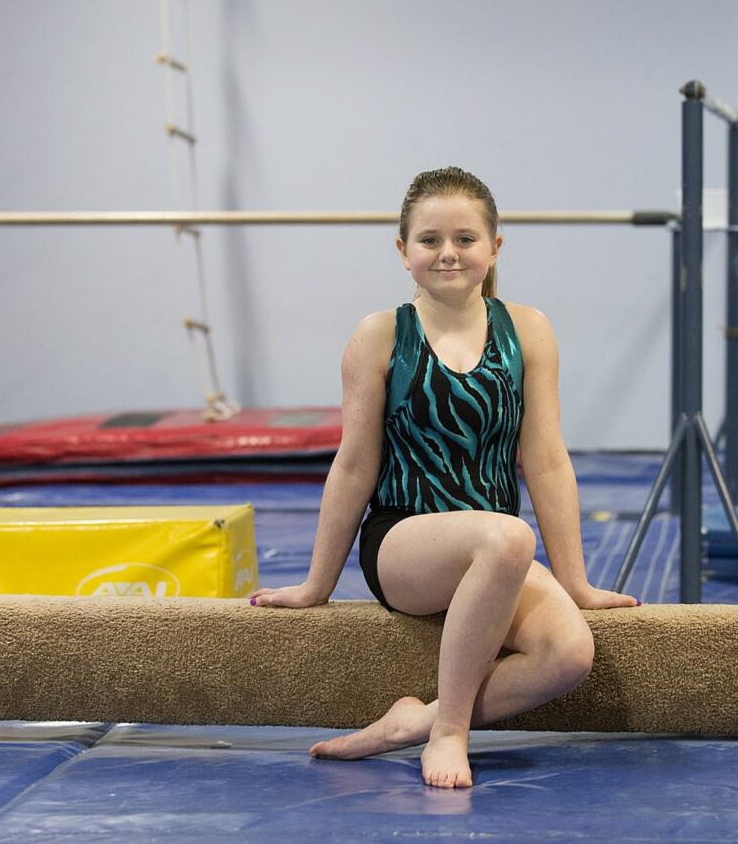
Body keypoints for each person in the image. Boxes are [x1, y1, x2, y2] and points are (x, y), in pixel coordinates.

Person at [248, 166, 640, 789]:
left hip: (493, 551)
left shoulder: (528, 330)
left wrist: (577, 584)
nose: (448, 253)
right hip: (405, 541)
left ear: (494, 248)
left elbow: (545, 459)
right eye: (429, 240)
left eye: (465, 238)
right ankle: (450, 731)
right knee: (507, 536)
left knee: (568, 654)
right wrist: (316, 584)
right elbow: (354, 464)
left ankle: (412, 721)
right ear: (403, 251)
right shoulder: (380, 336)